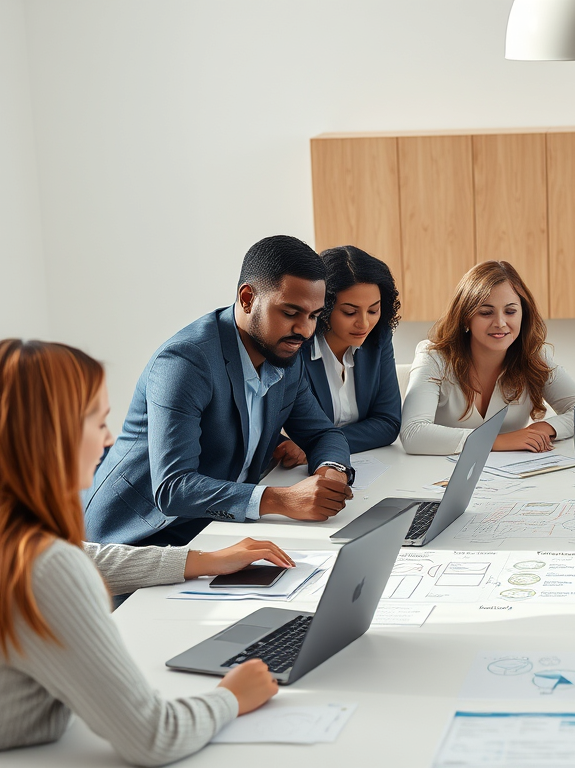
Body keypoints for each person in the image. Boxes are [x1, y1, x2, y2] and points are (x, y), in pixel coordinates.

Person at [0, 339, 282, 765]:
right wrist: (231, 698)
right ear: (51, 436)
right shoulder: (43, 566)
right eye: (98, 423)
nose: (110, 439)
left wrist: (199, 560)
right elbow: (153, 736)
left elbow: (80, 555)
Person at [84, 235, 355, 547]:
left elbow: (323, 434)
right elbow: (173, 488)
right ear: (248, 298)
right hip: (140, 537)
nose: (305, 331)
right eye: (291, 313)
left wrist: (331, 473)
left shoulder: (285, 353)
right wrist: (281, 500)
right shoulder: (185, 362)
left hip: (218, 527)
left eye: (314, 315)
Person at [401, 260, 575, 455]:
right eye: (486, 312)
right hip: (438, 477)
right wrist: (497, 441)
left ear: (523, 315)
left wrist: (544, 428)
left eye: (510, 311)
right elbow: (412, 433)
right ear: (466, 317)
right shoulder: (434, 357)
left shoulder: (534, 356)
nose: (500, 323)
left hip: (512, 477)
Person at [275, 245, 402, 460]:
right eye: (350, 312)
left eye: (373, 310)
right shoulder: (294, 345)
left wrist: (318, 444)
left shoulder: (378, 338)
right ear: (323, 307)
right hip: (296, 474)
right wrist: (290, 444)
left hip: (362, 462)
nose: (364, 323)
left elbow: (388, 423)